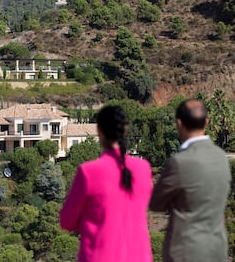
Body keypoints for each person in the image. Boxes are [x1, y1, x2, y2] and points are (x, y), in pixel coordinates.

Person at [59, 105, 153, 262]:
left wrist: (91, 217)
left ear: (99, 132)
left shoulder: (89, 172)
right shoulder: (143, 168)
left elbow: (67, 221)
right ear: (125, 130)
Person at [150, 99, 231, 262]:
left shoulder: (180, 162)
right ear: (207, 122)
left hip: (186, 251)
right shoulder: (221, 157)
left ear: (179, 124)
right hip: (217, 249)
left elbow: (155, 203)